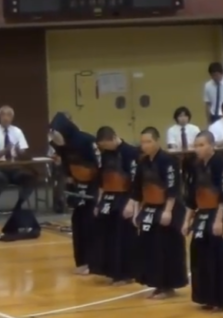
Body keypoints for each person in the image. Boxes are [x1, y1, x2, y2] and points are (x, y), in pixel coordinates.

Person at [132, 127, 188, 299]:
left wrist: (168, 211)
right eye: (143, 142)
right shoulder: (143, 162)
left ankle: (168, 286)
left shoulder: (168, 161)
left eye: (149, 141)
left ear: (157, 141)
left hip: (168, 209)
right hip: (149, 208)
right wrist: (136, 213)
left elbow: (173, 188)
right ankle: (156, 283)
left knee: (166, 248)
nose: (145, 145)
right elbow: (137, 190)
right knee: (151, 247)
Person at [183, 131, 223, 310]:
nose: (198, 149)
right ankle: (206, 297)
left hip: (217, 213)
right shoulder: (195, 166)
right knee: (199, 254)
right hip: (201, 214)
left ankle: (220, 299)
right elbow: (191, 196)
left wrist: (219, 220)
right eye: (196, 146)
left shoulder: (221, 164)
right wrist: (186, 221)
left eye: (201, 145)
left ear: (212, 145)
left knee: (216, 257)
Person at [49, 112, 100, 274]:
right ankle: (82, 261)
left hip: (93, 184)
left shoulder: (87, 140)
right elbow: (64, 162)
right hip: (77, 185)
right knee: (77, 221)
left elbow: (99, 163)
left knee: (90, 222)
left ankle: (94, 262)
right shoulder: (61, 144)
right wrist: (69, 176)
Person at [92, 126, 139, 285]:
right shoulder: (105, 154)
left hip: (125, 197)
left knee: (124, 236)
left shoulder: (130, 153)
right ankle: (111, 270)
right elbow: (101, 180)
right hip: (108, 197)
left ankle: (126, 273)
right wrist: (98, 202)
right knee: (108, 235)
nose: (105, 148)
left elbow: (135, 181)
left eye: (106, 145)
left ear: (113, 138)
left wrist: (132, 203)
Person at [0, 105, 36, 215]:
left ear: (12, 117)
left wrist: (18, 151)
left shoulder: (18, 132)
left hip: (15, 166)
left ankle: (18, 205)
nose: (6, 118)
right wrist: (5, 150)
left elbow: (24, 154)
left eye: (8, 115)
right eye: (3, 115)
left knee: (29, 177)